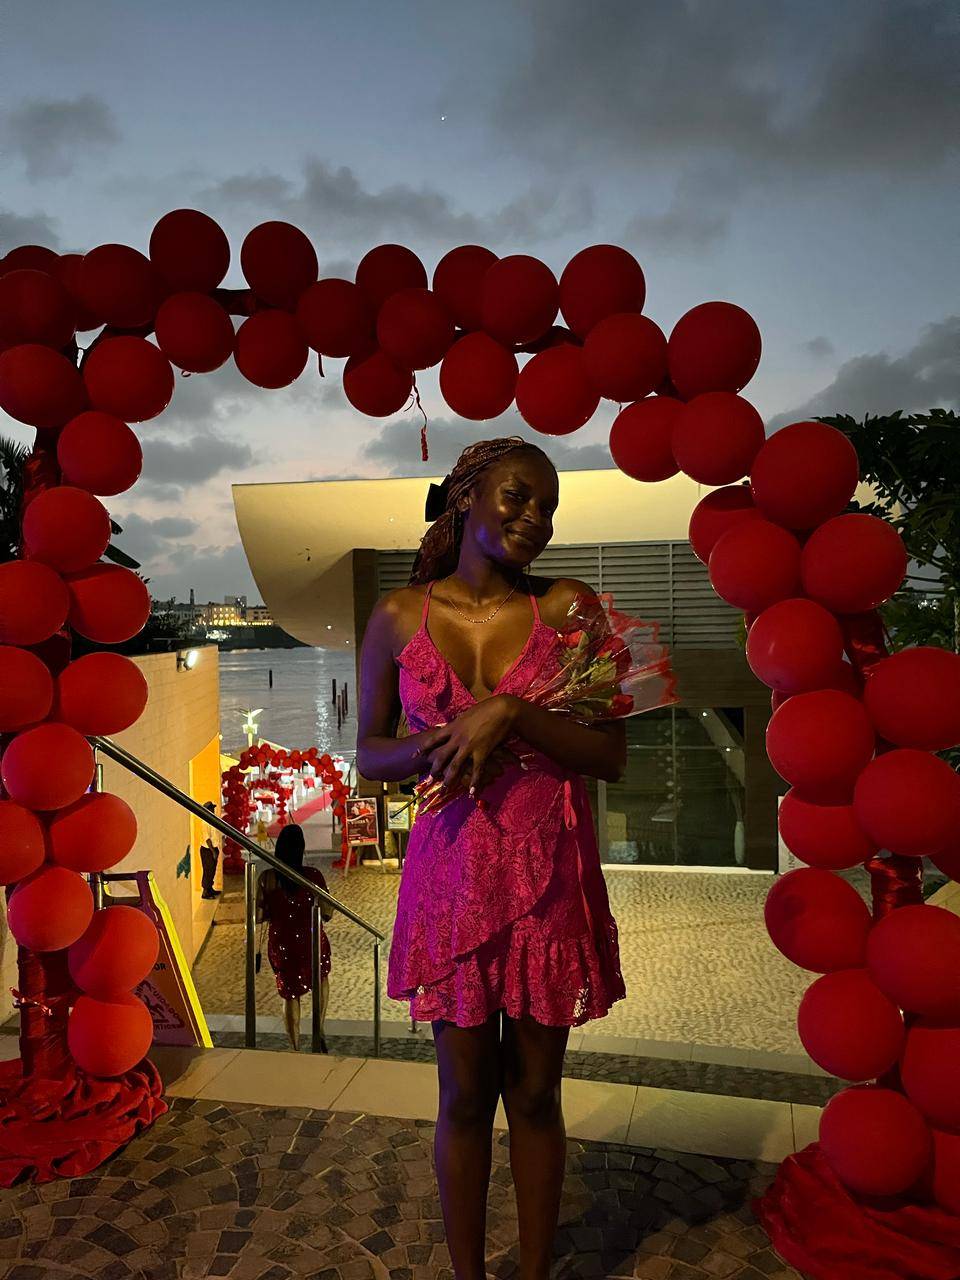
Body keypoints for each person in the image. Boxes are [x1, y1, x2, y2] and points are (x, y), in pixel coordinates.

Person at [357, 437, 626, 1280]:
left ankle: (535, 1274)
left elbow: (610, 753)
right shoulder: (397, 615)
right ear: (467, 495)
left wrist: (509, 712)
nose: (534, 518)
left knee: (537, 1095)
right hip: (450, 878)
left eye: (548, 507)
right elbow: (368, 753)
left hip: (549, 875)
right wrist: (443, 740)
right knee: (465, 1098)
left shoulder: (570, 608)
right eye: (517, 496)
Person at [255, 822, 333, 1052]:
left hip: (282, 944)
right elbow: (327, 912)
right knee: (320, 978)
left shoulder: (267, 878)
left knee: (289, 994)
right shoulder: (313, 876)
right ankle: (319, 1028)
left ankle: (295, 1045)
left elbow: (258, 916)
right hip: (311, 940)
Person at [199, 802, 221, 899]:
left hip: (213, 848)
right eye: (212, 809)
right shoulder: (205, 822)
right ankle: (205, 892)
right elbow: (207, 839)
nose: (213, 810)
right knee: (208, 870)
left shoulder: (211, 820)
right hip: (208, 850)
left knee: (212, 870)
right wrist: (213, 852)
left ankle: (210, 888)